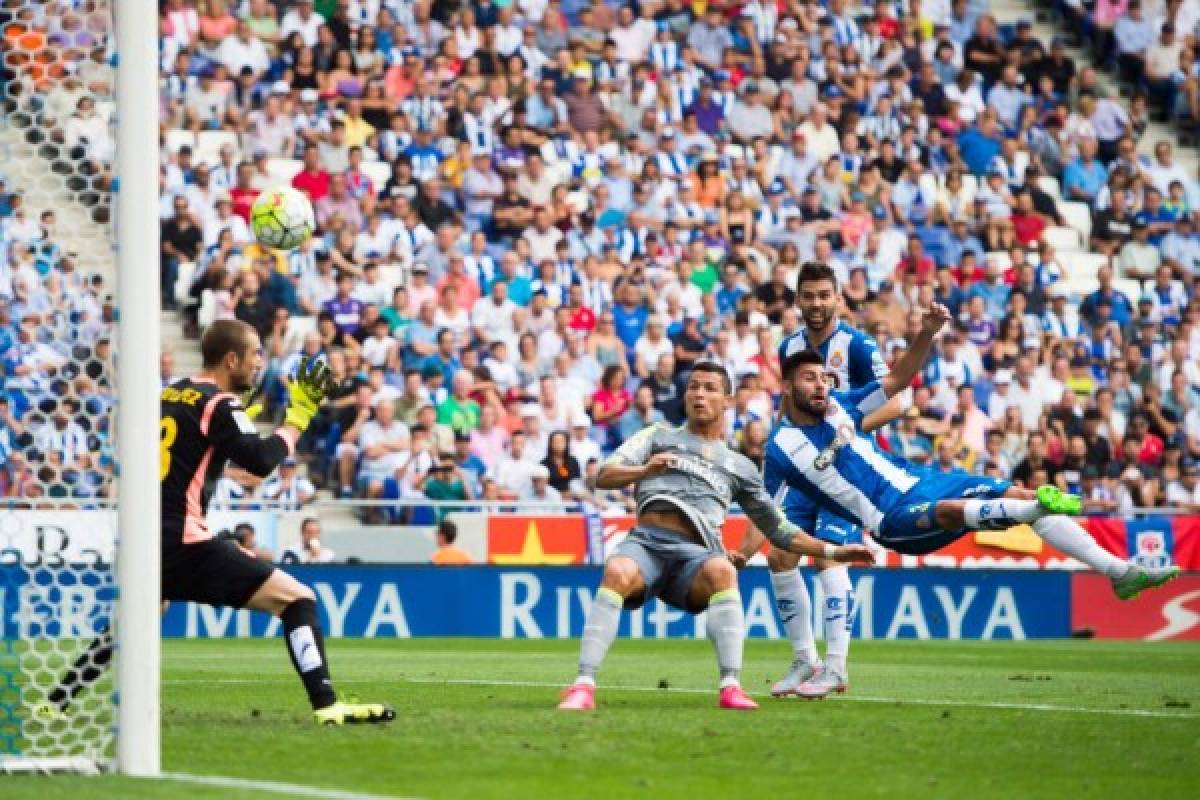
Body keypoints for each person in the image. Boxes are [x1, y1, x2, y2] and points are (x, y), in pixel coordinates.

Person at [757, 346, 1181, 695]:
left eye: (824, 378)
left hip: (926, 480)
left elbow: (897, 384)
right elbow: (776, 525)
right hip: (890, 518)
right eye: (810, 378)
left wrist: (926, 333)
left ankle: (1118, 571)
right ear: (788, 385)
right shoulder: (780, 450)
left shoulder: (842, 406)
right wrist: (827, 549)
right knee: (961, 512)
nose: (820, 385)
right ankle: (824, 665)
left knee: (1017, 493)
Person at [36, 320, 393, 725]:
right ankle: (328, 705)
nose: (260, 361)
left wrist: (226, 449)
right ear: (231, 358)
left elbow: (184, 461)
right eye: (255, 352)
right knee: (297, 599)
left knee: (136, 616)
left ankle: (55, 702)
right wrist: (298, 417)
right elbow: (259, 462)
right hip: (185, 541)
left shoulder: (170, 393)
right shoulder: (219, 404)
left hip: (145, 536)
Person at [556, 362, 873, 712]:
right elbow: (604, 475)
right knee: (616, 571)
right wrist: (644, 470)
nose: (698, 394)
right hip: (646, 543)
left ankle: (731, 686)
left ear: (727, 400)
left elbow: (778, 529)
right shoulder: (657, 435)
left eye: (708, 388)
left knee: (724, 571)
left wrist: (833, 551)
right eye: (693, 387)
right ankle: (583, 685)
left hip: (696, 556)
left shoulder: (740, 466)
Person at [755, 262, 890, 698]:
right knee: (780, 554)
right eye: (808, 296)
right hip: (801, 466)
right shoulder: (789, 347)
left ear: (838, 298)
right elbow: (787, 403)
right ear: (798, 300)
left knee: (829, 557)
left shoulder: (858, 346)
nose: (816, 304)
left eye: (823, 296)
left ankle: (835, 667)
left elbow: (900, 402)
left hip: (845, 468)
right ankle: (804, 660)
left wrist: (853, 426)